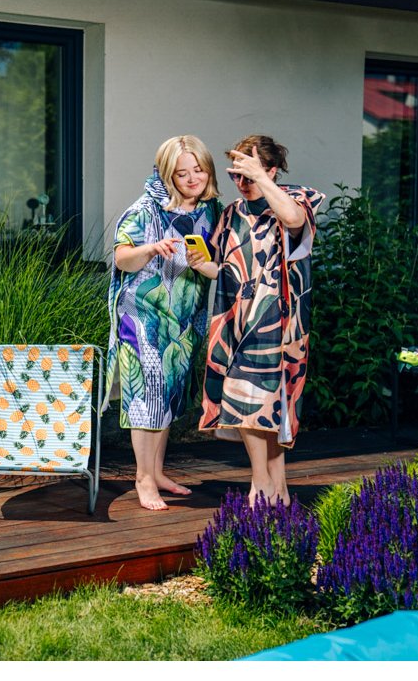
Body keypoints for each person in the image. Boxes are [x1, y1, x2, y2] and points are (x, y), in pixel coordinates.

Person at [188, 135, 325, 508]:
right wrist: (201, 264)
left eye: (248, 174)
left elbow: (294, 221)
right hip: (238, 322)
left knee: (270, 404)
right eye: (237, 175)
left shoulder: (295, 200)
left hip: (280, 323)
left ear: (272, 170)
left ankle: (265, 483)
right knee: (252, 402)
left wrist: (261, 179)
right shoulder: (232, 213)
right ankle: (271, 485)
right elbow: (223, 267)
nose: (241, 182)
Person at [103, 136, 221, 510]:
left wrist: (207, 263)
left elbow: (220, 260)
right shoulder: (145, 209)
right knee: (147, 395)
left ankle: (156, 472)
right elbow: (122, 258)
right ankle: (143, 478)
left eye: (198, 170)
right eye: (182, 173)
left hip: (183, 319)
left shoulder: (211, 210)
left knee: (167, 396)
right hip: (142, 317)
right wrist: (152, 248)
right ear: (167, 174)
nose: (192, 179)